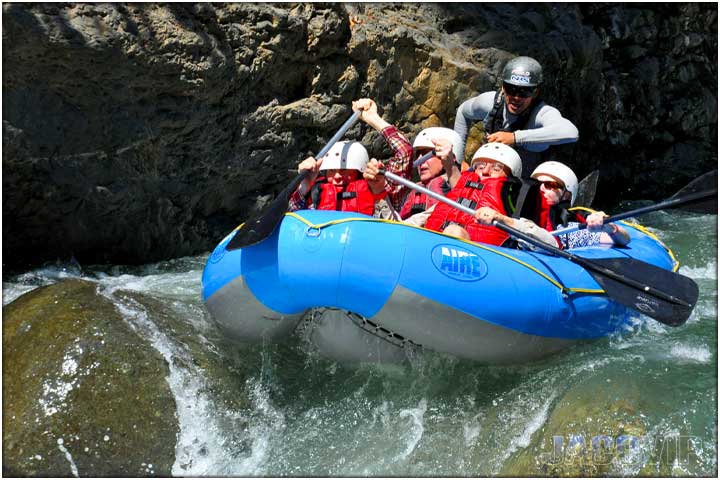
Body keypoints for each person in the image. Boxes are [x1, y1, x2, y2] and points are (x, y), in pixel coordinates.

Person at [454, 56, 579, 176]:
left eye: (525, 92)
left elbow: (571, 133)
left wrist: (515, 138)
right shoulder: (489, 102)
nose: (516, 98)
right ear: (503, 87)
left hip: (523, 186)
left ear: (535, 92)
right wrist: (458, 160)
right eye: (511, 89)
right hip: (484, 176)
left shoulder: (541, 113)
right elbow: (463, 112)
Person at [288, 98, 413, 214]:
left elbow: (404, 152)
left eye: (344, 170)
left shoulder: (377, 188)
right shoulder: (313, 193)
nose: (337, 176)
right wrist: (304, 186)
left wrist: (373, 118)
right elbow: (289, 221)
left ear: (360, 171)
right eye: (331, 170)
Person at [475, 161, 631, 248]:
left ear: (566, 195)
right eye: (536, 183)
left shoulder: (565, 226)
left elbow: (622, 239)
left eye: (550, 185)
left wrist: (609, 226)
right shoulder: (507, 204)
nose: (541, 188)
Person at [424, 142, 523, 245]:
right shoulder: (456, 197)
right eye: (480, 167)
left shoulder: (514, 201)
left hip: (482, 254)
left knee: (455, 232)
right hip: (432, 245)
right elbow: (416, 220)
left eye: (496, 169)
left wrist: (502, 219)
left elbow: (535, 233)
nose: (485, 171)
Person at [363, 127, 462, 223]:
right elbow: (395, 227)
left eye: (427, 154)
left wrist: (450, 166)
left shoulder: (456, 190)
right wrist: (378, 188)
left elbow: (461, 195)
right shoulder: (412, 192)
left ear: (451, 157)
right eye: (418, 154)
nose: (420, 160)